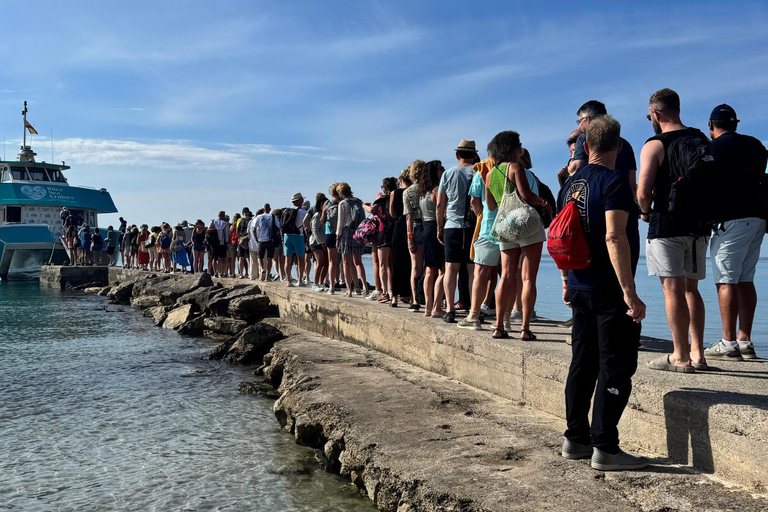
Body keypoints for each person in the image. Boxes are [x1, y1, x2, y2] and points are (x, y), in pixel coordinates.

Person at [558, 115, 648, 471]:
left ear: (587, 146)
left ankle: (575, 438)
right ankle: (606, 448)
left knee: (583, 362)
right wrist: (630, 292)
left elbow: (562, 236)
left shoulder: (571, 184)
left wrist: (567, 281)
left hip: (579, 285)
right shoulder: (613, 183)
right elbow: (614, 236)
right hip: (607, 290)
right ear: (619, 146)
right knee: (616, 366)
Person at [638, 88, 709, 372]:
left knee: (672, 290)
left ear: (655, 113)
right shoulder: (700, 139)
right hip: (700, 225)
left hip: (667, 224)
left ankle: (679, 356)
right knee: (692, 289)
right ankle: (698, 354)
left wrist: (644, 212)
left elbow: (644, 190)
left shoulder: (655, 144)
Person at [703, 104, 768, 361]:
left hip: (730, 219)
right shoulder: (756, 146)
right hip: (758, 218)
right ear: (736, 124)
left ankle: (728, 342)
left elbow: (705, 182)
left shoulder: (714, 149)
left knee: (726, 279)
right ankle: (745, 340)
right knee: (745, 278)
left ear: (711, 125)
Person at [484, 133, 550, 340]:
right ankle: (525, 329)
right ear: (512, 148)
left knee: (506, 276)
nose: (521, 147)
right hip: (526, 223)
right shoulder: (515, 167)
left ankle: (498, 327)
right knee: (528, 277)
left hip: (505, 227)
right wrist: (544, 203)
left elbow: (492, 205)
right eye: (519, 144)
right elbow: (525, 195)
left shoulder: (490, 174)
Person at [437, 139, 477, 323]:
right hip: (473, 226)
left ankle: (450, 309)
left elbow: (440, 204)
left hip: (452, 225)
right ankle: (472, 308)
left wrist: (439, 227)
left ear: (457, 155)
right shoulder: (479, 172)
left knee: (450, 269)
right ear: (474, 154)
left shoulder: (448, 173)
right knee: (472, 270)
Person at [567, 101, 638, 194]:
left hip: (594, 195)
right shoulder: (625, 144)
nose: (579, 126)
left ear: (587, 119)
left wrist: (569, 167)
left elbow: (575, 169)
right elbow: (632, 183)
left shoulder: (584, 138)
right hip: (621, 196)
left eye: (579, 121)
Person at [336, 182, 369, 297]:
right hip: (358, 233)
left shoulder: (342, 203)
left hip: (346, 233)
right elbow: (363, 218)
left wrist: (337, 236)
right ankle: (364, 286)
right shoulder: (359, 201)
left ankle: (349, 290)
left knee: (346, 263)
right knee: (358, 262)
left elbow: (340, 222)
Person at [404, 160, 426, 312]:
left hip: (416, 227)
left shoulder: (408, 192)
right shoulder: (429, 189)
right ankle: (428, 298)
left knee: (415, 267)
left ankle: (415, 300)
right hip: (429, 225)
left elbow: (409, 217)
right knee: (429, 267)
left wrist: (409, 237)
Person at [390, 169, 413, 307]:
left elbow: (392, 213)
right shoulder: (413, 192)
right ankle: (408, 294)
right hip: (411, 227)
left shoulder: (395, 193)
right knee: (410, 264)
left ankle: (394, 296)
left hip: (398, 226)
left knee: (396, 264)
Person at [374, 177, 397, 303]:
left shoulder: (382, 198)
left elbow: (373, 210)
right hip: (394, 231)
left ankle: (384, 292)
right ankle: (392, 291)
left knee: (382, 264)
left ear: (384, 187)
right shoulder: (397, 196)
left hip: (383, 231)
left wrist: (364, 206)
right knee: (391, 265)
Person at [281, 193, 308, 286]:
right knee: (300, 259)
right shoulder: (303, 212)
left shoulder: (285, 211)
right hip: (298, 236)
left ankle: (288, 280)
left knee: (287, 259)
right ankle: (300, 280)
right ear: (299, 201)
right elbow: (306, 225)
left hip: (287, 236)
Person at [321, 185, 341, 294]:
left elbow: (322, 220)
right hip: (341, 233)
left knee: (331, 261)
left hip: (329, 233)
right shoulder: (343, 202)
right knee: (343, 261)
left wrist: (324, 211)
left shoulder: (327, 203)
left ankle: (331, 286)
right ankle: (343, 284)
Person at [308, 193, 329, 291]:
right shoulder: (317, 215)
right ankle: (315, 284)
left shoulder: (326, 215)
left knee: (326, 263)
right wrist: (321, 241)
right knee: (319, 262)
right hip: (316, 241)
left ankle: (321, 283)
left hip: (324, 241)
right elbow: (314, 229)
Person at [253, 206, 279, 281]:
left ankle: (261, 268)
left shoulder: (259, 217)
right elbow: (278, 227)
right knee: (270, 258)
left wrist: (256, 238)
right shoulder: (273, 217)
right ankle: (267, 276)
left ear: (263, 209)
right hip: (271, 240)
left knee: (259, 257)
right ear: (270, 209)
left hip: (261, 239)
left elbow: (254, 229)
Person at [213, 212, 230, 277]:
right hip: (223, 243)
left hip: (214, 243)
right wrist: (227, 242)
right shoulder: (225, 224)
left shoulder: (213, 222)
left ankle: (216, 272)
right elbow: (227, 234)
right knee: (223, 258)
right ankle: (223, 272)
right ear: (223, 216)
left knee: (215, 259)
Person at [237, 208, 252, 279]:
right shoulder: (251, 220)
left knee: (241, 258)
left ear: (243, 213)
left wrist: (239, 237)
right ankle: (249, 273)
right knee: (249, 258)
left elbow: (237, 230)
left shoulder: (239, 220)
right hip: (249, 240)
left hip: (241, 240)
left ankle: (241, 274)